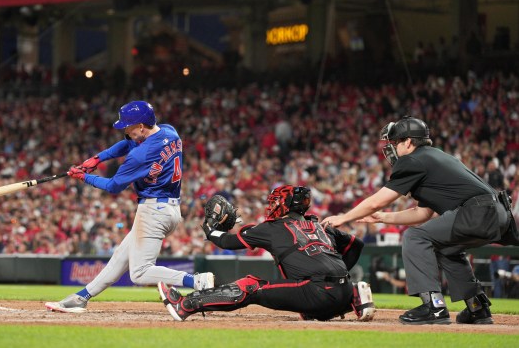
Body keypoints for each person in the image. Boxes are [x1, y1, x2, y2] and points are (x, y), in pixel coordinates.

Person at [322, 116, 519, 325]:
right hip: (497, 214)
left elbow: (377, 201)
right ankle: (477, 307)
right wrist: (384, 218)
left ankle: (433, 306)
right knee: (447, 248)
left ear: (408, 142)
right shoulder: (435, 157)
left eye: (396, 142)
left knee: (415, 237)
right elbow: (423, 214)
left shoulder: (412, 160)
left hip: (477, 212)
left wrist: (344, 217)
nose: (393, 148)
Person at [45, 100, 214, 313]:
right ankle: (81, 298)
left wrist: (84, 177)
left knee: (140, 273)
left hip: (153, 211)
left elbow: (114, 186)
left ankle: (196, 281)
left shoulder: (140, 156)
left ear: (141, 126)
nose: (125, 130)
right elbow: (127, 143)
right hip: (169, 210)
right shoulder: (170, 132)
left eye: (128, 126)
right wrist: (98, 158)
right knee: (120, 258)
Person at [157, 185, 376, 322]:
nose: (271, 207)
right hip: (342, 288)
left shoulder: (271, 228)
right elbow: (355, 244)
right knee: (312, 299)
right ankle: (353, 299)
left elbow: (226, 242)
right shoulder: (320, 225)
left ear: (283, 205)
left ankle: (185, 305)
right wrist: (337, 276)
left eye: (274, 202)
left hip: (316, 292)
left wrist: (209, 227)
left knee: (250, 286)